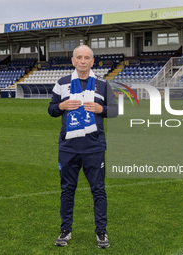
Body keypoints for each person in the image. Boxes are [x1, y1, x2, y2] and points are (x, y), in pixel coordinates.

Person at [48, 45, 118, 248]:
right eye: (79, 57)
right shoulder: (62, 84)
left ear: (92, 62)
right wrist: (61, 106)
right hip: (68, 147)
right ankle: (65, 230)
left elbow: (114, 111)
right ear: (73, 61)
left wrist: (101, 109)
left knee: (98, 190)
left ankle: (101, 232)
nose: (83, 61)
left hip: (94, 147)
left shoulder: (103, 85)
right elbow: (51, 109)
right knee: (67, 190)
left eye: (87, 57)